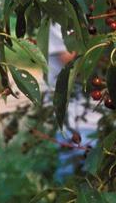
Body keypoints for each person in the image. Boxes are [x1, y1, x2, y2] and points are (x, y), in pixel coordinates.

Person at [47, 22, 102, 180]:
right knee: (72, 177)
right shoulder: (59, 18)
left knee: (100, 177)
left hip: (101, 116)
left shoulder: (101, 15)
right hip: (74, 120)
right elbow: (69, 58)